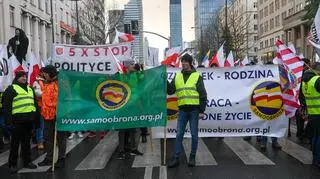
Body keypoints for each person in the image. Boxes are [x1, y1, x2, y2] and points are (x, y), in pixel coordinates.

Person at [167, 54, 207, 168]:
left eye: (185, 61)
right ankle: (176, 158)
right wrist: (164, 80)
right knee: (179, 134)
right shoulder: (177, 76)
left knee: (194, 135)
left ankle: (192, 157)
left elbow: (203, 94)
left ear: (190, 63)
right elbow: (170, 91)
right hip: (182, 111)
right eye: (182, 61)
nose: (183, 63)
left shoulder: (196, 76)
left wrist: (201, 111)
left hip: (194, 111)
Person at [2, 71, 39, 173]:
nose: (24, 78)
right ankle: (12, 164)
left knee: (27, 143)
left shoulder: (30, 88)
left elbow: (34, 105)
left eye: (25, 76)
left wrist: (36, 120)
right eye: (21, 76)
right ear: (17, 78)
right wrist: (8, 122)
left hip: (29, 121)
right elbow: (7, 107)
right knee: (15, 144)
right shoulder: (11, 89)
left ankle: (27, 162)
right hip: (17, 122)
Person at [38, 65, 67, 168]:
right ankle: (49, 158)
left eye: (45, 74)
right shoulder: (47, 83)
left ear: (50, 73)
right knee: (48, 138)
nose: (43, 75)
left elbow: (65, 98)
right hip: (47, 116)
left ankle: (61, 159)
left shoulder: (61, 83)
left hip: (58, 115)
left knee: (61, 137)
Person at [301, 62, 320, 168]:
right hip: (319, 113)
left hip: (312, 112)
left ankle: (315, 158)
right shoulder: (317, 80)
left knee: (315, 136)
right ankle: (317, 159)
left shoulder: (305, 82)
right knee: (318, 137)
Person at [32, 70, 45, 150]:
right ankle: (40, 141)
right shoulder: (36, 82)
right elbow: (37, 93)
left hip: (50, 106)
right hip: (41, 107)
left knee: (49, 125)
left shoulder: (50, 81)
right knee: (40, 125)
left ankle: (47, 139)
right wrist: (49, 93)